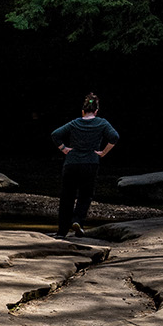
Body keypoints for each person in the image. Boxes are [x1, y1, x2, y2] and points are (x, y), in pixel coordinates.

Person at [53, 93, 122, 235]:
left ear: (83, 111)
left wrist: (63, 149)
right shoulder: (102, 123)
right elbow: (114, 137)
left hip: (71, 163)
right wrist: (103, 152)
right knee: (85, 195)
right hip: (90, 163)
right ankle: (77, 220)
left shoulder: (75, 123)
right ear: (96, 111)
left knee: (67, 196)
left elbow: (55, 134)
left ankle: (62, 231)